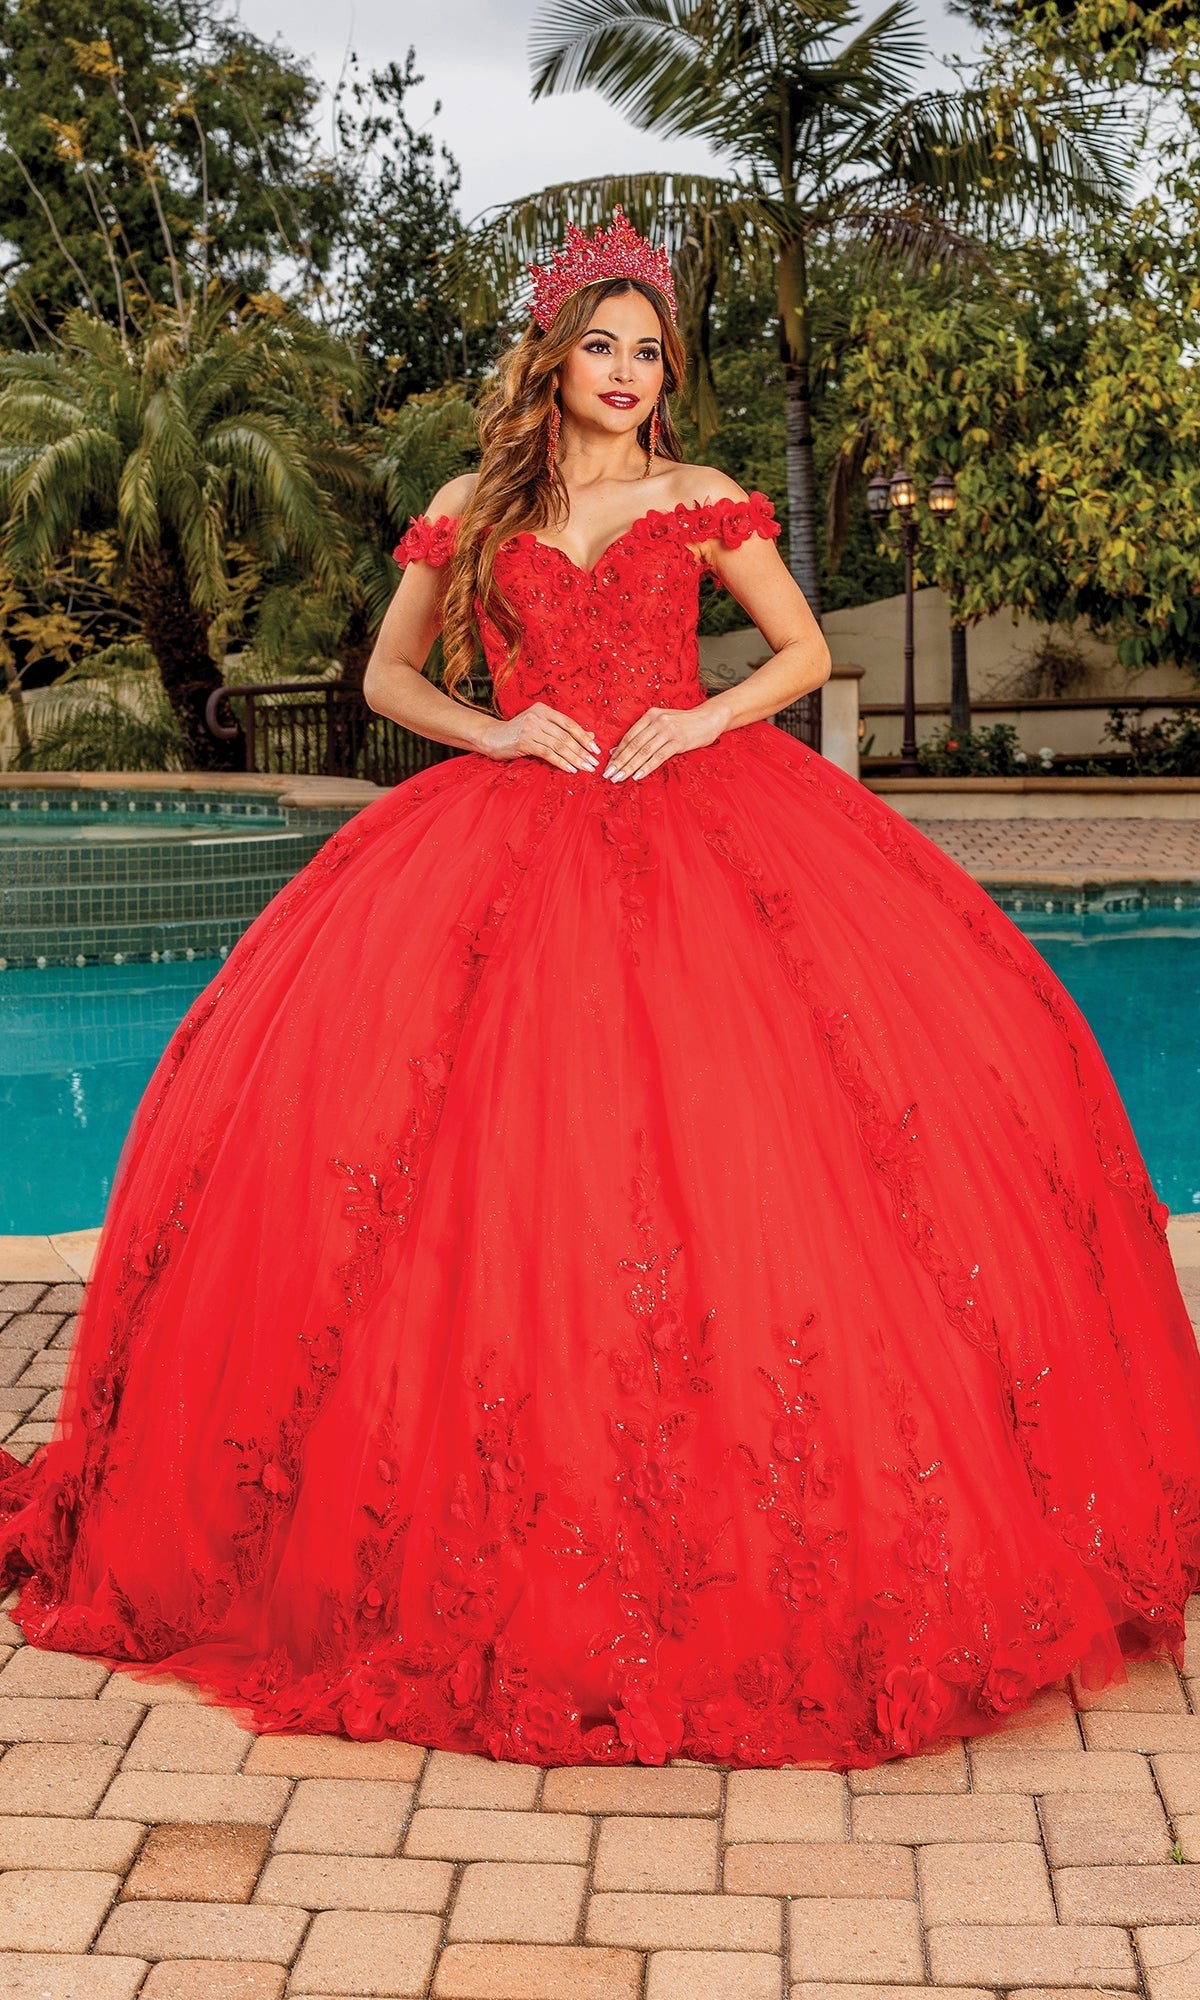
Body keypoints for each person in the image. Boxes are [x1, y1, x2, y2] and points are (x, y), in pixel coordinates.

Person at [1, 211, 1198, 1773]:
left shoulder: (702, 499)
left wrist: (701, 728)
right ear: (553, 360)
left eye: (651, 351)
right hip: (502, 834)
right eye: (603, 346)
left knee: (765, 1150)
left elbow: (801, 650)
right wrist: (493, 736)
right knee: (478, 1163)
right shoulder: (470, 507)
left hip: (703, 821)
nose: (628, 373)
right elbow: (385, 678)